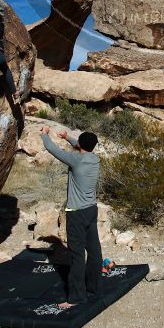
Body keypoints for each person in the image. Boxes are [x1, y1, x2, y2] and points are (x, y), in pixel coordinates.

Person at [40, 127, 102, 307]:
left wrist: (44, 134)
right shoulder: (94, 158)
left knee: (76, 255)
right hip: (91, 209)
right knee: (94, 250)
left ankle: (76, 298)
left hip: (76, 213)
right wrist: (68, 137)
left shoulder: (76, 159)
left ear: (81, 145)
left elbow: (53, 150)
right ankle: (94, 287)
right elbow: (81, 145)